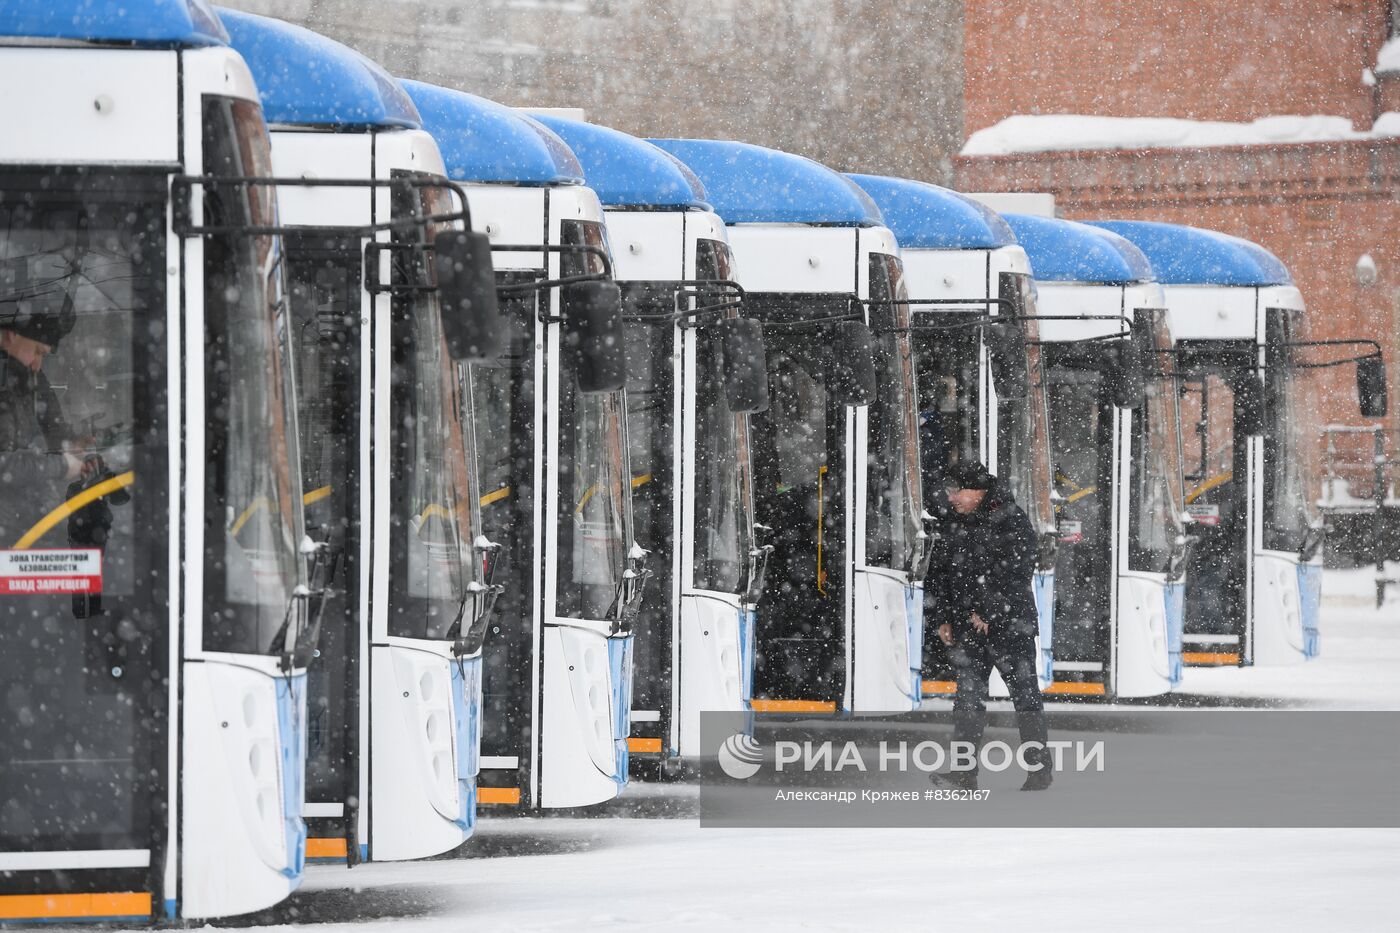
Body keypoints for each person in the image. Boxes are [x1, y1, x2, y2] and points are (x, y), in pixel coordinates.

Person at [926, 460, 1051, 791]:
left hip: (1011, 628)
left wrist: (989, 611)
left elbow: (1018, 570)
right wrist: (944, 617)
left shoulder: (1010, 518)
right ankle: (964, 775)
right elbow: (942, 572)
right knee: (968, 701)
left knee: (1024, 698)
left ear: (977, 491)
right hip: (969, 627)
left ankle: (1039, 771)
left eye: (957, 492)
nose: (951, 499)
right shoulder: (955, 521)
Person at [0, 302, 93, 497]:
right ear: (11, 336)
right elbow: (4, 466)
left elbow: (52, 426)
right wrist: (60, 466)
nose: (37, 365)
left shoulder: (30, 377)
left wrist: (76, 440)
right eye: (37, 351)